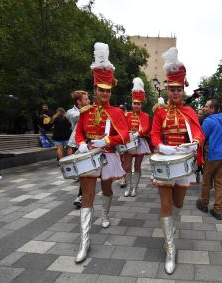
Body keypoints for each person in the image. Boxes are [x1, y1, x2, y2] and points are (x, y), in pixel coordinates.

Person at [74, 42, 130, 263]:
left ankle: (105, 214)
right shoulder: (85, 112)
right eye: (100, 90)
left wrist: (105, 140)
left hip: (107, 156)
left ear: (110, 91)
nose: (104, 94)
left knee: (106, 189)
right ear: (95, 89)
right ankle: (84, 242)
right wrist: (80, 143)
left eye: (107, 91)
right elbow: (78, 133)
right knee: (87, 195)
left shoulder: (116, 112)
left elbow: (124, 135)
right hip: (88, 158)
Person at [150, 47, 204, 274]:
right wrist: (161, 146)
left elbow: (199, 133)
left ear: (183, 89)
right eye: (171, 89)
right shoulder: (160, 113)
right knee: (165, 204)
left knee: (179, 203)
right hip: (164, 161)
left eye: (178, 89)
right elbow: (153, 134)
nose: (174, 93)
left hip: (183, 163)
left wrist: (195, 143)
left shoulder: (190, 111)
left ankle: (171, 230)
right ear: (167, 89)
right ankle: (170, 249)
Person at [196, 98, 222, 220]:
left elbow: (202, 139)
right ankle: (217, 210)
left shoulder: (208, 121)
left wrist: (197, 154)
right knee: (219, 183)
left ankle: (204, 204)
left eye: (206, 106)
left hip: (212, 156)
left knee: (206, 181)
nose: (204, 108)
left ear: (212, 109)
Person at [122, 77, 151, 197]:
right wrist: (127, 134)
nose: (136, 106)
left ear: (141, 104)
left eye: (138, 104)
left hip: (140, 142)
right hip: (128, 142)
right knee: (127, 166)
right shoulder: (126, 114)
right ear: (132, 103)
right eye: (134, 103)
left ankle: (135, 188)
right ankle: (128, 186)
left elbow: (146, 128)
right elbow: (122, 127)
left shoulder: (145, 115)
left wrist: (138, 134)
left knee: (137, 166)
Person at [66, 90, 91, 207]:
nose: (89, 101)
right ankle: (82, 195)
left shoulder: (90, 110)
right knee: (83, 171)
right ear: (79, 102)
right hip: (78, 143)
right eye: (86, 99)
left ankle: (83, 194)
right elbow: (79, 115)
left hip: (89, 142)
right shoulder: (71, 112)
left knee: (86, 171)